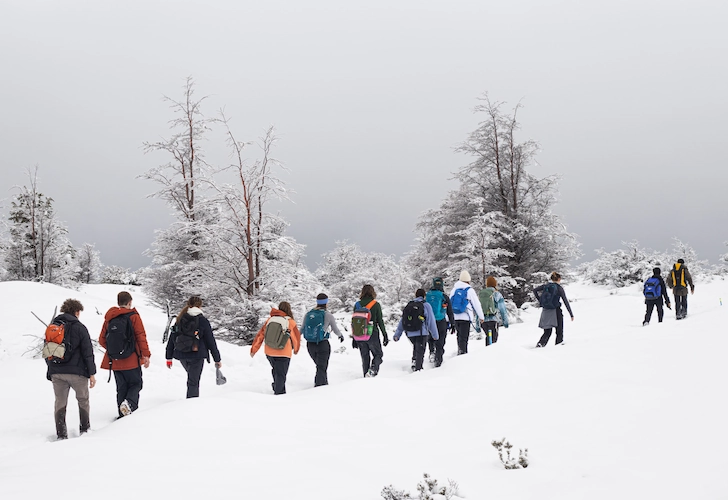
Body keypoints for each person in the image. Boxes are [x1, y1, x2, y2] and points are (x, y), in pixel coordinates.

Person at [46, 299, 96, 440]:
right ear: (77, 312)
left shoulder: (53, 327)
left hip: (57, 372)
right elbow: (87, 352)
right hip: (77, 373)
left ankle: (61, 434)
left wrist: (52, 368)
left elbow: (47, 350)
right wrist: (92, 373)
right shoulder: (80, 327)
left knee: (60, 402)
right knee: (83, 400)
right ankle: (85, 429)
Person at [98, 291, 151, 417]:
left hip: (115, 361)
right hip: (132, 359)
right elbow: (141, 336)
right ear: (129, 302)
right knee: (136, 384)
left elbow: (102, 340)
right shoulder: (133, 316)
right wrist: (145, 354)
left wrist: (113, 350)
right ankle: (129, 405)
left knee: (121, 388)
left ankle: (122, 417)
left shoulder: (110, 318)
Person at [165, 296, 222, 398]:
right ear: (200, 306)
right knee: (193, 382)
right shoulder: (203, 321)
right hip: (197, 355)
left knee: (192, 379)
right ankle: (191, 403)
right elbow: (210, 341)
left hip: (182, 354)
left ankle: (191, 400)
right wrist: (217, 359)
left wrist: (168, 357)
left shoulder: (180, 319)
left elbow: (172, 338)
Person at [251, 301, 301, 395]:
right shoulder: (290, 321)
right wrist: (296, 349)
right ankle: (279, 395)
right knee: (281, 374)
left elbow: (260, 335)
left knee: (276, 370)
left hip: (269, 351)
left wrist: (254, 350)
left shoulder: (270, 320)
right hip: (283, 352)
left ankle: (276, 387)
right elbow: (296, 337)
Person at [302, 293, 345, 387]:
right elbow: (335, 329)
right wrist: (340, 335)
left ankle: (322, 385)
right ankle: (320, 388)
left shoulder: (308, 314)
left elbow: (301, 329)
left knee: (320, 366)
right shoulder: (328, 315)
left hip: (310, 344)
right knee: (322, 367)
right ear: (326, 302)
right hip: (323, 344)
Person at [394, 289, 439, 371]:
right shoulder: (426, 305)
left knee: (416, 347)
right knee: (420, 351)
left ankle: (414, 362)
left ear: (416, 295)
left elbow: (403, 320)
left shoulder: (409, 305)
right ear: (424, 296)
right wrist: (435, 335)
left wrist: (397, 334)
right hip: (421, 333)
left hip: (410, 333)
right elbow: (431, 321)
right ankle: (418, 370)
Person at [353, 284, 389, 377]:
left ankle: (365, 375)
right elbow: (380, 321)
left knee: (365, 357)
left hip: (360, 334)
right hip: (372, 333)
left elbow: (354, 322)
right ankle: (372, 370)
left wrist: (354, 338)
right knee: (378, 354)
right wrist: (384, 334)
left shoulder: (357, 305)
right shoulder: (375, 305)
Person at [533, 272, 574, 347]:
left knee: (547, 331)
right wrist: (571, 314)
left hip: (546, 311)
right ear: (559, 279)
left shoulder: (546, 286)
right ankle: (558, 346)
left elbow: (535, 290)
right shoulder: (559, 288)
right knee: (559, 331)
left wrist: (540, 300)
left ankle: (540, 344)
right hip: (556, 311)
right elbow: (565, 301)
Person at [449, 270, 485, 355]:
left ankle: (460, 350)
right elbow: (476, 304)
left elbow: (450, 303)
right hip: (466, 316)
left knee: (459, 336)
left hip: (455, 316)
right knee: (464, 337)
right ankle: (463, 353)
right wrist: (481, 316)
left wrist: (449, 317)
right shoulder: (469, 290)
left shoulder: (454, 289)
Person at [425, 277, 455, 367]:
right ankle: (438, 360)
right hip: (441, 321)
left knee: (431, 338)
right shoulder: (444, 296)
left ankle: (432, 352)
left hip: (429, 322)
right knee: (440, 340)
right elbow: (450, 312)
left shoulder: (427, 295)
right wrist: (453, 324)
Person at [480, 276, 510, 344]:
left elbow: (478, 309)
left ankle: (487, 350)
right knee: (493, 340)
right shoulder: (497, 294)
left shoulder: (482, 294)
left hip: (484, 321)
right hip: (494, 319)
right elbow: (502, 309)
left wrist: (477, 325)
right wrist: (505, 322)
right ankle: (491, 350)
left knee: (488, 337)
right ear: (495, 284)